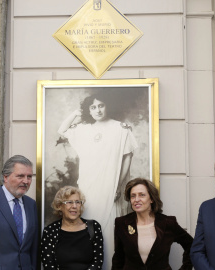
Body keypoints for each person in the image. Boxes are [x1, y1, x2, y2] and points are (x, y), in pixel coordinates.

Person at [58, 92, 138, 269]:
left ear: (107, 106)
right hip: (88, 186)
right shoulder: (84, 129)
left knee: (109, 230)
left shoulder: (120, 128)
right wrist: (76, 113)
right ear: (88, 110)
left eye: (101, 105)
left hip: (110, 186)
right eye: (93, 107)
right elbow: (62, 130)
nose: (98, 110)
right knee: (88, 228)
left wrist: (118, 185)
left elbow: (127, 158)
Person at [112, 178, 193, 270]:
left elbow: (191, 245)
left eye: (142, 195)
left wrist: (186, 268)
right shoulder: (121, 223)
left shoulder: (168, 223)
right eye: (133, 196)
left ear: (151, 199)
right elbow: (118, 259)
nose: (136, 199)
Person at [41, 186, 104, 269]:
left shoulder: (93, 227)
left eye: (78, 202)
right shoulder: (50, 231)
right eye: (69, 202)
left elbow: (98, 261)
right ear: (59, 206)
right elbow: (49, 265)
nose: (74, 206)